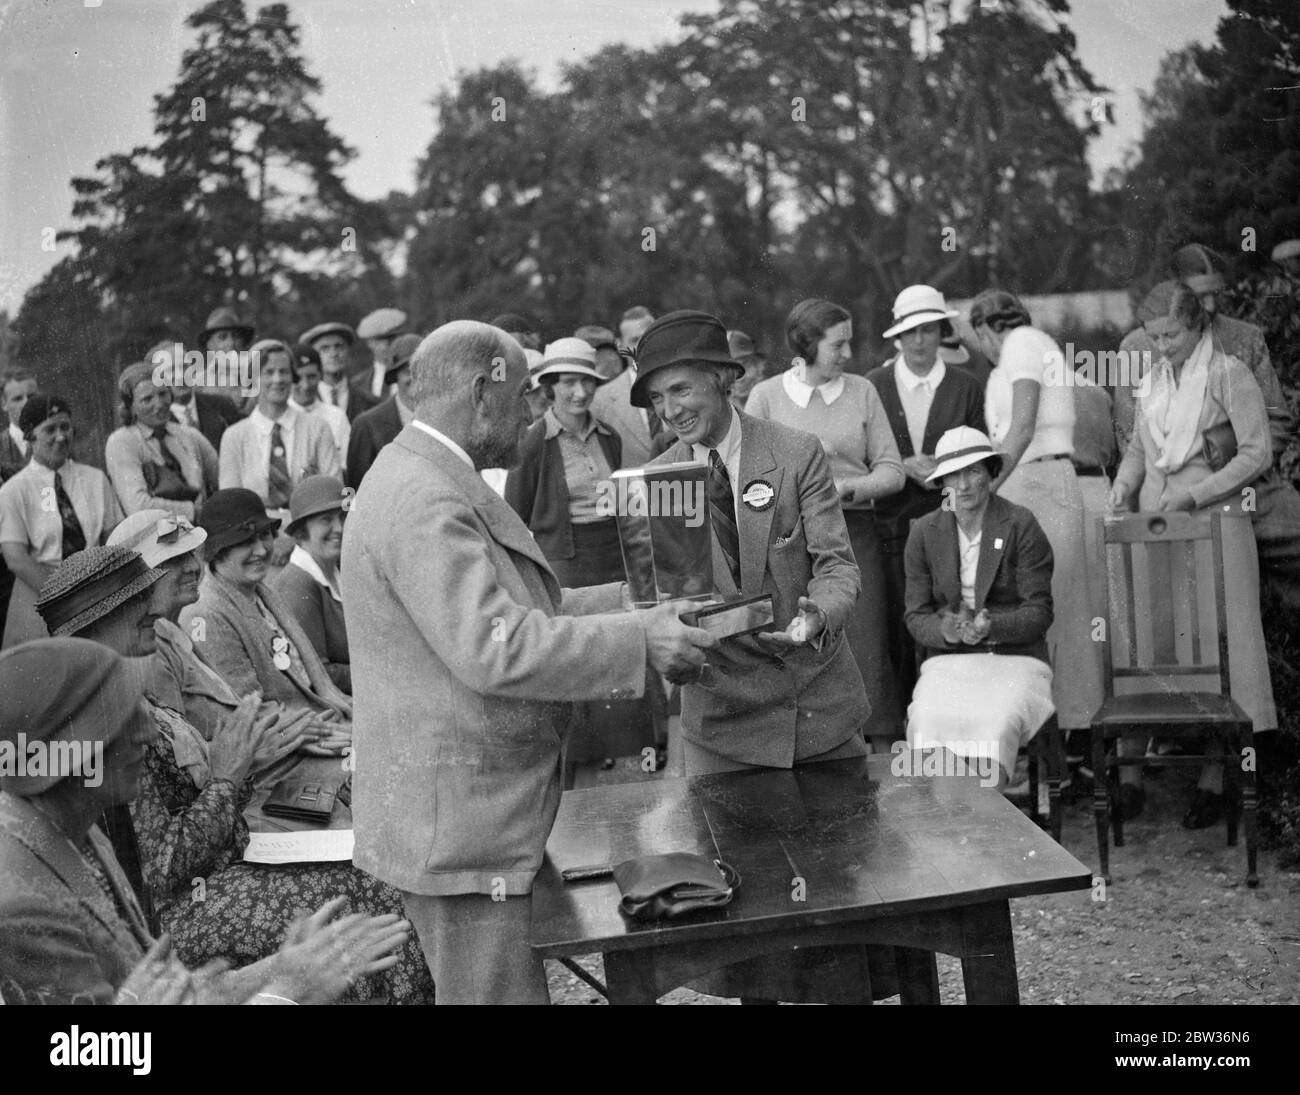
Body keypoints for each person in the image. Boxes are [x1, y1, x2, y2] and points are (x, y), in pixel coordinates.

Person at [342, 319, 716, 1004]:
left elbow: (522, 609)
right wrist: (639, 641)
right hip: (461, 831)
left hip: (470, 820)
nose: (537, 412)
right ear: (484, 393)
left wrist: (628, 605)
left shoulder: (428, 476)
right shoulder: (426, 496)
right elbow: (495, 645)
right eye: (524, 396)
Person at [34, 547, 435, 1007]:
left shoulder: (127, 688)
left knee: (378, 878)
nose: (155, 608)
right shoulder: (104, 714)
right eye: (134, 602)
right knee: (360, 901)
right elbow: (161, 871)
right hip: (180, 914)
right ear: (95, 625)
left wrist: (244, 764)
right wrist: (229, 776)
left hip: (220, 874)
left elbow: (196, 798)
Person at [641, 310, 893, 1004]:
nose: (672, 411)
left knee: (842, 916)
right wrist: (677, 649)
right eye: (660, 399)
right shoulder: (664, 480)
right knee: (752, 929)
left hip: (821, 714)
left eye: (684, 390)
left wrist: (815, 612)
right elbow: (681, 605)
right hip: (728, 730)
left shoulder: (796, 450)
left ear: (727, 380)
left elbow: (839, 567)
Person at [1107, 280, 1277, 827]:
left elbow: (1256, 452)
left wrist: (1198, 493)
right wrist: (1122, 486)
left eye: (1171, 334)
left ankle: (1218, 779)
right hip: (1162, 526)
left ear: (1197, 324)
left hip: (1218, 525)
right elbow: (1139, 446)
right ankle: (1134, 776)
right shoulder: (1155, 379)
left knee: (1223, 644)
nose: (1161, 347)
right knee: (1167, 641)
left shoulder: (1230, 373)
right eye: (1153, 337)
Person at [746, 298, 905, 746]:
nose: (848, 354)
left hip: (854, 535)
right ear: (807, 344)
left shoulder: (862, 391)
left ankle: (874, 748)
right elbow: (749, 477)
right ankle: (810, 744)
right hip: (788, 543)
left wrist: (842, 490)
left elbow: (892, 471)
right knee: (798, 633)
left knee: (865, 641)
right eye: (839, 344)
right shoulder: (767, 396)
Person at [1116, 243, 1300, 613]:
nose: (1212, 306)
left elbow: (1277, 422)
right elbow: (1129, 435)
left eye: (1217, 293)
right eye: (1201, 296)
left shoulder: (1244, 337)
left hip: (1251, 486)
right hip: (1167, 489)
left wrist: (1226, 464)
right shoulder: (1136, 347)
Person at [968, 289, 1102, 736]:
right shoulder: (1003, 366)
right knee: (1027, 609)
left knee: (1056, 608)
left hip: (1043, 483)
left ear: (988, 328)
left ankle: (1075, 731)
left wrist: (985, 489)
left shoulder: (1023, 341)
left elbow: (1022, 428)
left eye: (980, 336)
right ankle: (1043, 737)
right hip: (1024, 485)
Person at [108, 509, 335, 762]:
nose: (194, 567)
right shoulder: (150, 652)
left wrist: (289, 732)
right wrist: (281, 737)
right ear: (141, 577)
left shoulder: (172, 632)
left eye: (191, 555)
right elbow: (180, 766)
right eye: (175, 560)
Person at [904, 428, 1056, 787]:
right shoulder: (925, 532)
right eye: (954, 475)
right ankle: (941, 828)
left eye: (973, 471)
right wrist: (947, 629)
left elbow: (1040, 611)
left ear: (991, 472)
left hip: (1015, 657)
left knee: (996, 720)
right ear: (941, 482)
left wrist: (993, 627)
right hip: (949, 660)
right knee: (928, 718)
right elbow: (916, 614)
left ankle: (987, 828)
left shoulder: (1020, 523)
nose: (965, 485)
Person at [866, 285, 986, 718]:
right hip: (892, 528)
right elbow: (865, 453)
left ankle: (953, 725)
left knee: (949, 618)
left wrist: (944, 469)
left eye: (929, 330)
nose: (919, 341)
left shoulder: (966, 387)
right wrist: (900, 464)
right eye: (910, 332)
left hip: (952, 524)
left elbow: (980, 455)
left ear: (941, 332)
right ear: (897, 336)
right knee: (901, 624)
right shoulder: (872, 386)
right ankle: (905, 731)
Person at [179, 488, 353, 739]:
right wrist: (329, 732)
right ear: (218, 550)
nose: (261, 550)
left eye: (265, 536)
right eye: (246, 542)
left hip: (317, 718)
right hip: (282, 747)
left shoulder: (262, 592)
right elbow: (247, 711)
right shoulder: (206, 614)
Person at [0, 394, 122, 648]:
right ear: (30, 436)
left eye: (65, 427)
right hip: (40, 598)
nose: (60, 436)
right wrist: (65, 598)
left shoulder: (94, 479)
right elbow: (16, 558)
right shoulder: (14, 491)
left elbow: (115, 538)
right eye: (50, 429)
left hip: (97, 591)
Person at [505, 338, 623, 586]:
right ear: (550, 387)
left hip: (616, 559)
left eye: (587, 381)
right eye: (569, 382)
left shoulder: (610, 437)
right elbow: (515, 514)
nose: (580, 392)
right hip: (565, 567)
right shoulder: (531, 443)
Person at [218, 339, 341, 529]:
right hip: (255, 536)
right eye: (268, 372)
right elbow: (231, 504)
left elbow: (334, 490)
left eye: (284, 371)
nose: (278, 379)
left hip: (308, 533)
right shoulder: (234, 436)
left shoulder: (317, 428)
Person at [105, 361, 220, 520]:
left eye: (162, 394)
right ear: (130, 407)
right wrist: (194, 511)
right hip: (155, 537)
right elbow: (138, 506)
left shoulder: (189, 435)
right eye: (147, 399)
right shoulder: (122, 442)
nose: (159, 404)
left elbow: (223, 478)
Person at [270, 476, 351, 694]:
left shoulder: (338, 570)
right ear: (301, 531)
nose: (339, 528)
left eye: (342, 518)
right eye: (326, 520)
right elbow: (319, 675)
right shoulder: (297, 584)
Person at [345, 333, 421, 490]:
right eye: (408, 371)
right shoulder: (367, 424)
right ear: (395, 376)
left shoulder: (443, 420)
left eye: (422, 371)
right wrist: (349, 513)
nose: (415, 378)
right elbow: (353, 491)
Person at [592, 308, 662, 467]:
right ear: (620, 346)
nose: (644, 346)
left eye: (649, 337)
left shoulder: (680, 385)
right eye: (635, 340)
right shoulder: (601, 399)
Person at [152, 340, 244, 451]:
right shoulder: (156, 421)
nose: (181, 376)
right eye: (171, 370)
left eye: (185, 366)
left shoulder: (222, 406)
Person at [0, 367, 37, 646]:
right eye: (17, 398)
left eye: (31, 396)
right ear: (4, 404)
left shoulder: (57, 439)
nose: (25, 403)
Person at [290, 343, 350, 473]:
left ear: (320, 375)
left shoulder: (336, 416)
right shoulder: (281, 417)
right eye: (298, 378)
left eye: (311, 377)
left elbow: (346, 465)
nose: (305, 385)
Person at [300, 320, 376, 422]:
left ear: (348, 351)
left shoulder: (369, 401)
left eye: (339, 346)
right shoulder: (302, 401)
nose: (334, 354)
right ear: (313, 356)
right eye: (325, 348)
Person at [357, 308, 408, 401]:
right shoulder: (358, 384)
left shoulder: (411, 377)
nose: (390, 345)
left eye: (394, 339)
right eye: (383, 340)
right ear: (370, 343)